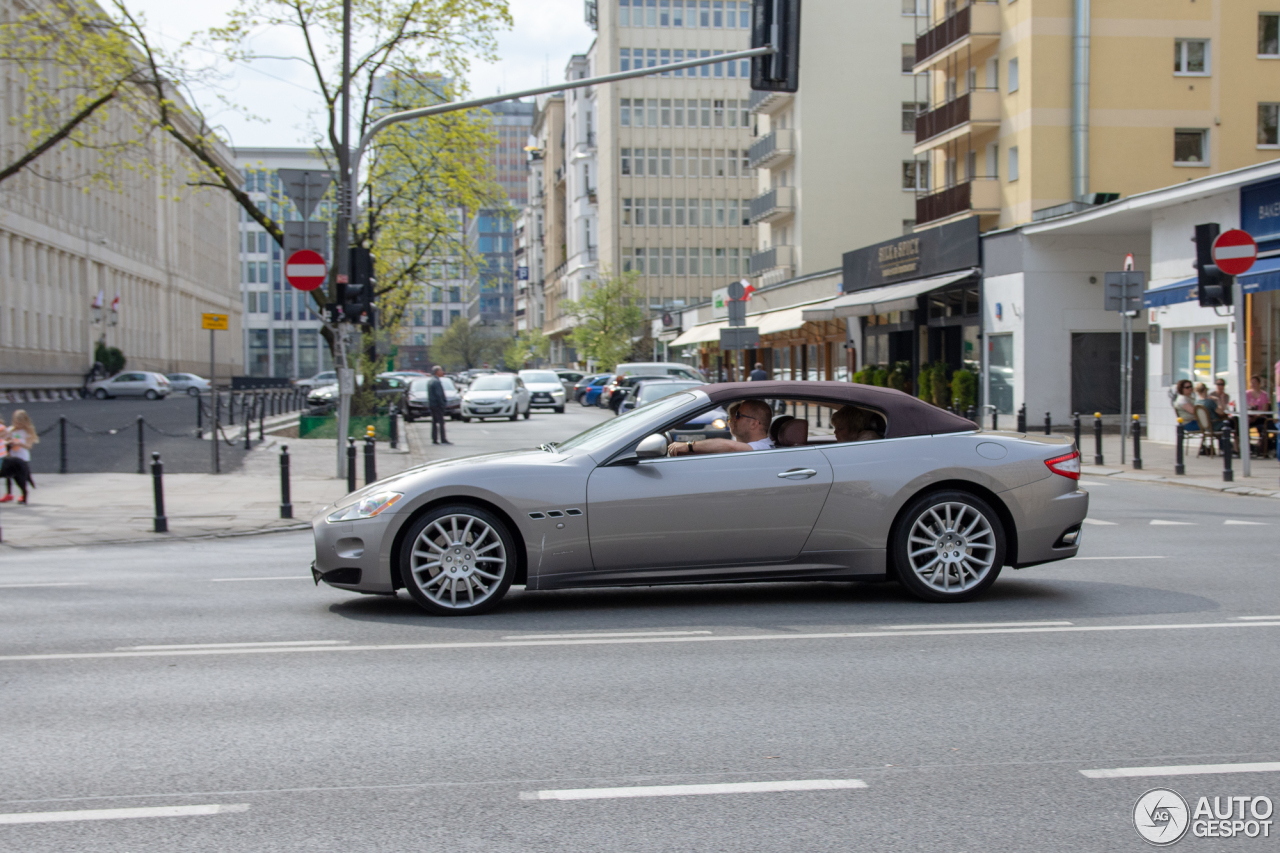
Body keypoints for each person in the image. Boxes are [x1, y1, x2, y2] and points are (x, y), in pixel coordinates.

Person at [667, 398, 775, 456]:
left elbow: (728, 446)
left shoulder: (762, 448)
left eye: (737, 415)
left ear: (754, 424)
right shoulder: (750, 447)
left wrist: (688, 446)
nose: (731, 420)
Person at [1, 409, 37, 504]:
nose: (17, 424)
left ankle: (23, 494)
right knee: (8, 478)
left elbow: (29, 446)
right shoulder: (10, 430)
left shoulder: (27, 432)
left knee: (21, 477)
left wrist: (19, 443)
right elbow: (5, 439)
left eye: (19, 423)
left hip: (22, 457)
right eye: (15, 422)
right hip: (11, 456)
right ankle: (9, 494)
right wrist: (8, 442)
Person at [426, 366, 451, 445]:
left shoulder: (431, 381)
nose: (442, 372)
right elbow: (439, 394)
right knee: (441, 422)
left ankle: (435, 439)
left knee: (434, 422)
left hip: (433, 404)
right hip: (437, 405)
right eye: (441, 370)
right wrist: (442, 404)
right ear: (437, 372)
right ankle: (443, 439)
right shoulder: (436, 382)